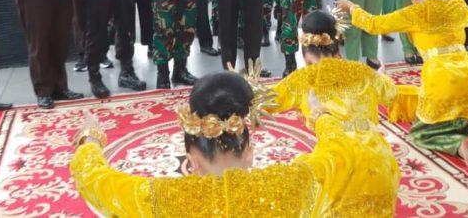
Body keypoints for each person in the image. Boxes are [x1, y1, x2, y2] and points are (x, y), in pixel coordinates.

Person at [71, 72, 317, 217]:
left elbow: (95, 180)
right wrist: (321, 117)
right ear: (250, 153)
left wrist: (90, 139)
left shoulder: (164, 198)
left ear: (191, 161)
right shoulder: (293, 184)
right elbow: (340, 155)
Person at [336, 0, 468, 167]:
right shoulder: (457, 6)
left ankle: (459, 143)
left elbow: (373, 24)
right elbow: (467, 15)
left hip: (442, 80)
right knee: (454, 117)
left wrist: (352, 7)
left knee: (420, 134)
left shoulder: (414, 13)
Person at [271, 10, 400, 216]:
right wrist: (381, 78)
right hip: (381, 164)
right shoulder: (364, 72)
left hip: (339, 167)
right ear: (337, 44)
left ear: (305, 54)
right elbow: (392, 94)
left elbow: (264, 101)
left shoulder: (303, 79)